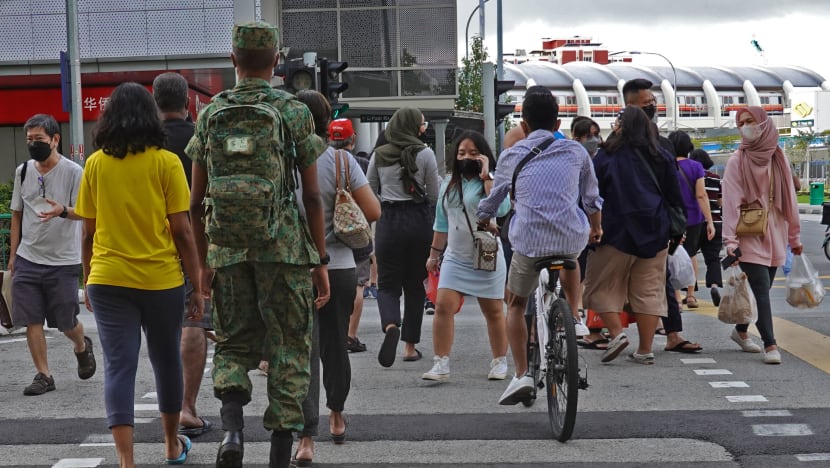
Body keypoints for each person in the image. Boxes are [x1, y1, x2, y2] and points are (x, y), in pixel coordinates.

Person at [186, 21, 330, 468]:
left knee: (231, 343)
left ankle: (232, 430)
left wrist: (205, 264)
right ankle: (281, 452)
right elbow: (311, 196)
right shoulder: (292, 112)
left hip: (228, 250)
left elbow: (195, 202)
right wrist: (320, 260)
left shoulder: (210, 114)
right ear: (275, 64)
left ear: (233, 59)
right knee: (288, 347)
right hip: (283, 249)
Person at [76, 82, 205, 466]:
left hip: (108, 278)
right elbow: (182, 230)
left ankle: (126, 461)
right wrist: (196, 284)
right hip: (161, 280)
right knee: (166, 360)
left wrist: (87, 278)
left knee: (119, 366)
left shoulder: (96, 164)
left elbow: (87, 232)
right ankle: (169, 445)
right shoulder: (166, 162)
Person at [476, 91, 602, 405]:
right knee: (572, 256)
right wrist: (596, 228)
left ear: (524, 124)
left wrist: (482, 216)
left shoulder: (512, 154)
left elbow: (494, 201)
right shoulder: (576, 151)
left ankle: (522, 375)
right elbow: (592, 199)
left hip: (529, 241)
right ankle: (573, 317)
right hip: (570, 235)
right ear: (559, 122)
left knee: (516, 304)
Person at [291, 94, 381, 467]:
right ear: (328, 122)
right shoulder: (342, 161)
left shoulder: (283, 162)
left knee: (301, 354)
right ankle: (337, 415)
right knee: (334, 347)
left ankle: (305, 438)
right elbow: (373, 210)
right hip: (341, 265)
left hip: (293, 267)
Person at [583, 105, 683, 365]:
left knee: (602, 286)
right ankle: (645, 349)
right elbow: (675, 196)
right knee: (649, 290)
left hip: (614, 231)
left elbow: (592, 195)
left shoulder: (606, 156)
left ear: (621, 126)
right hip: (655, 232)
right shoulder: (661, 155)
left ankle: (616, 334)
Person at [10, 113, 95, 397]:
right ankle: (44, 375)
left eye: (39, 139)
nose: (34, 144)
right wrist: (13, 256)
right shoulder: (23, 171)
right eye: (29, 140)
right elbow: (16, 216)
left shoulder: (74, 172)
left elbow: (85, 212)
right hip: (28, 257)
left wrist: (63, 211)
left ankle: (82, 345)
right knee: (31, 319)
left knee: (65, 322)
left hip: (63, 260)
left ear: (55, 139)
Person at [152, 71, 214, 438]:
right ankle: (187, 407)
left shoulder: (144, 144)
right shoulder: (200, 140)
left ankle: (167, 411)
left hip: (152, 248)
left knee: (161, 330)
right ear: (188, 102)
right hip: (199, 242)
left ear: (155, 101)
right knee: (195, 322)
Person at [422, 131, 510, 382]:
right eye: (461, 153)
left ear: (484, 155)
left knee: (493, 311)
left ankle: (499, 361)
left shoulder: (492, 180)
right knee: (443, 307)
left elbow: (502, 208)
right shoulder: (448, 184)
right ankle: (440, 363)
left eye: (473, 153)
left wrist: (487, 176)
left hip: (486, 254)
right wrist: (433, 255)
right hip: (456, 257)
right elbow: (441, 223)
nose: (466, 157)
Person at [622, 78, 700, 352]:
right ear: (629, 106)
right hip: (623, 227)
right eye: (646, 105)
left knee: (661, 280)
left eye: (654, 104)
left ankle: (672, 334)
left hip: (656, 225)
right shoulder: (615, 143)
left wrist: (677, 227)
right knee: (613, 282)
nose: (652, 109)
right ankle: (609, 332)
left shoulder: (662, 144)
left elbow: (673, 189)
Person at [722, 106, 802, 365]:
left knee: (762, 287)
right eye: (741, 123)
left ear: (764, 124)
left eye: (751, 121)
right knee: (761, 289)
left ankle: (741, 331)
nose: (746, 126)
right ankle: (771, 344)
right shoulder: (737, 161)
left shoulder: (778, 157)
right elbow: (731, 202)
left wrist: (795, 237)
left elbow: (789, 199)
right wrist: (730, 243)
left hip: (776, 231)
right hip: (749, 232)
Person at [368, 107, 441, 368]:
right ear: (413, 126)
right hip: (419, 222)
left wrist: (387, 203)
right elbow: (434, 195)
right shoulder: (426, 154)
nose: (423, 128)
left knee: (387, 285)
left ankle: (390, 326)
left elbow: (369, 190)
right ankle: (410, 348)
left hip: (389, 222)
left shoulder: (378, 155)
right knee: (414, 286)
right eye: (421, 123)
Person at [668, 131, 715, 310]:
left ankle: (676, 297)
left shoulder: (666, 165)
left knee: (672, 254)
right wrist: (710, 221)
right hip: (694, 217)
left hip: (672, 217)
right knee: (691, 254)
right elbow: (701, 195)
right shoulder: (696, 166)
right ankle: (691, 295)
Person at [689, 148, 723, 304]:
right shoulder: (716, 179)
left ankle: (690, 291)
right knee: (713, 258)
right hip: (715, 222)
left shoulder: (692, 177)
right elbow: (720, 202)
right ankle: (714, 285)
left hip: (696, 223)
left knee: (690, 255)